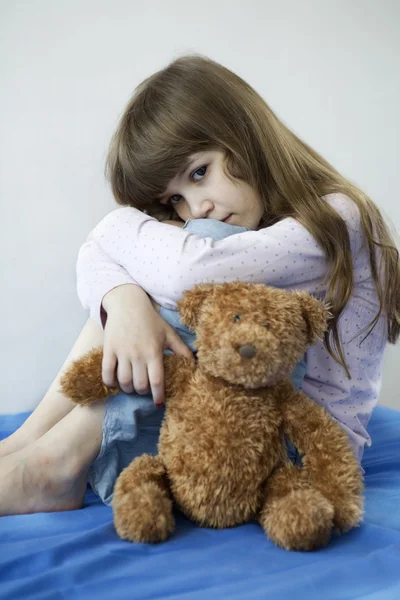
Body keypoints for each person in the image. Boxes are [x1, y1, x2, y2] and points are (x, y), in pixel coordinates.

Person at [0, 56, 398, 515]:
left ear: (243, 131)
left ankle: (53, 466)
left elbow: (189, 273)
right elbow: (110, 262)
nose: (198, 207)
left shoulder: (337, 218)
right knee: (139, 280)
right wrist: (123, 301)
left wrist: (112, 229)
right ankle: (30, 440)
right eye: (175, 200)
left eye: (198, 172)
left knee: (186, 267)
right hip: (229, 424)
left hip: (299, 449)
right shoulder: (253, 228)